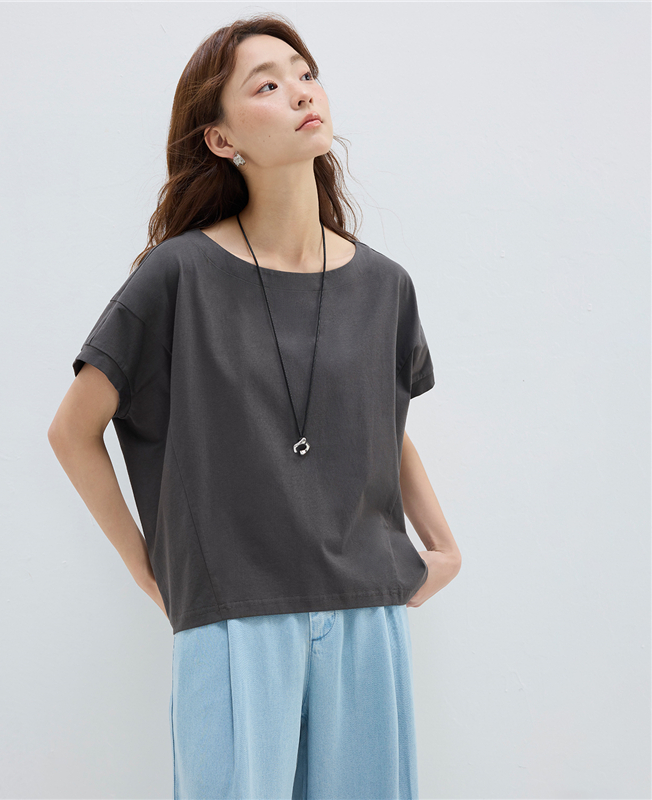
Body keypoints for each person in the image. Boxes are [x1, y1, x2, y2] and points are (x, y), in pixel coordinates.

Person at [48, 12, 462, 800]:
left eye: (305, 74)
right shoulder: (178, 276)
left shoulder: (385, 285)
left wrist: (442, 549)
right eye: (267, 85)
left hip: (365, 612)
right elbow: (73, 431)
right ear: (220, 138)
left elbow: (386, 422)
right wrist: (153, 572)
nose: (301, 92)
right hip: (235, 618)